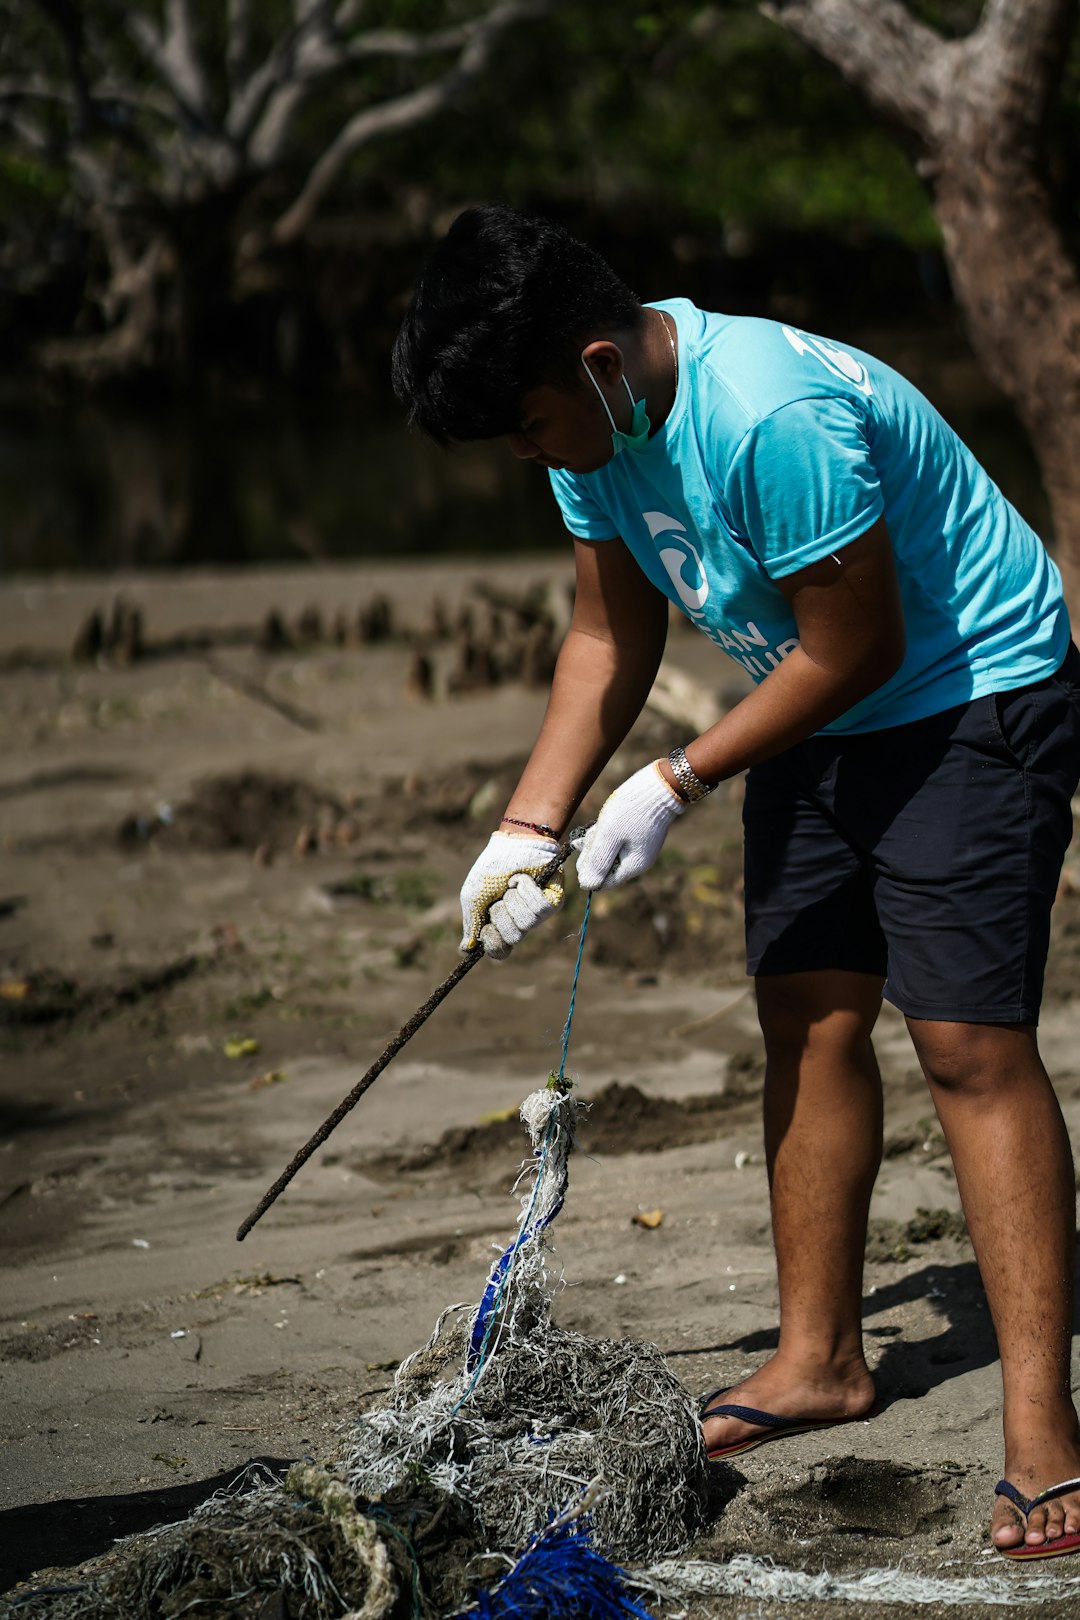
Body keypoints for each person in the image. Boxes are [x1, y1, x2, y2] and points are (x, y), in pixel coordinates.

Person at [391, 202, 1080, 1559]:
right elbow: (608, 622)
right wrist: (530, 824)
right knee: (807, 1013)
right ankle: (819, 1358)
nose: (530, 456)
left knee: (964, 1043)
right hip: (818, 705)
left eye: (529, 427)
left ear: (595, 363)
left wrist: (674, 781)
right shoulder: (591, 427)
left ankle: (1044, 1430)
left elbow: (861, 643)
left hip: (968, 694)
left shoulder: (765, 416)